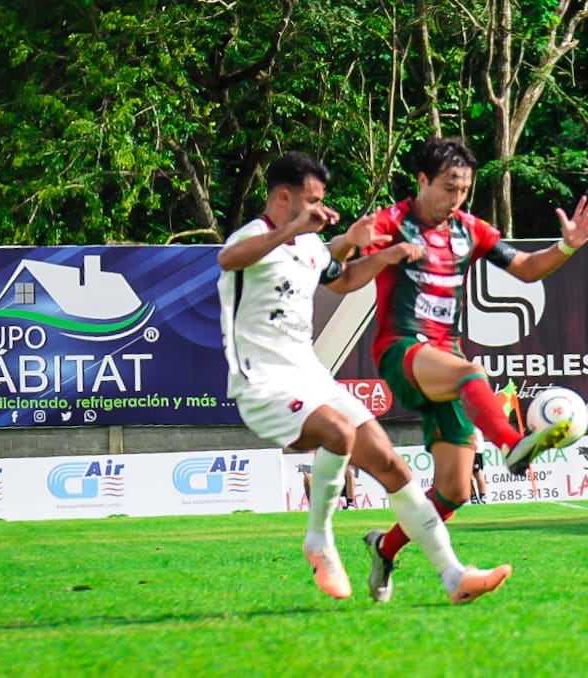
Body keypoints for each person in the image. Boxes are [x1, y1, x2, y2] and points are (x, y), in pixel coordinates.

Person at [218, 150, 511, 604]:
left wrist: (385, 254)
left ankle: (455, 577)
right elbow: (228, 258)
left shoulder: (310, 246)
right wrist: (297, 230)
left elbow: (343, 276)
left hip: (311, 377)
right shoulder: (255, 236)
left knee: (393, 466)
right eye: (312, 201)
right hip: (262, 383)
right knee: (338, 433)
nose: (320, 210)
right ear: (284, 197)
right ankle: (319, 539)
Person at [359, 137, 588, 603]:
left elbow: (526, 268)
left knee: (453, 491)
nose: (457, 198)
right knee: (473, 373)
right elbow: (345, 265)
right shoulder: (392, 222)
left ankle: (384, 549)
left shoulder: (470, 229)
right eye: (449, 187)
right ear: (422, 180)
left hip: (443, 357)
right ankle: (511, 444)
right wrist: (356, 246)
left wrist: (567, 247)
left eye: (465, 189)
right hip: (401, 349)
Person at [471, 432, 489, 504]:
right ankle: (473, 497)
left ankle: (482, 496)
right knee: (466, 474)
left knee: (477, 472)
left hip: (474, 449)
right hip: (464, 448)